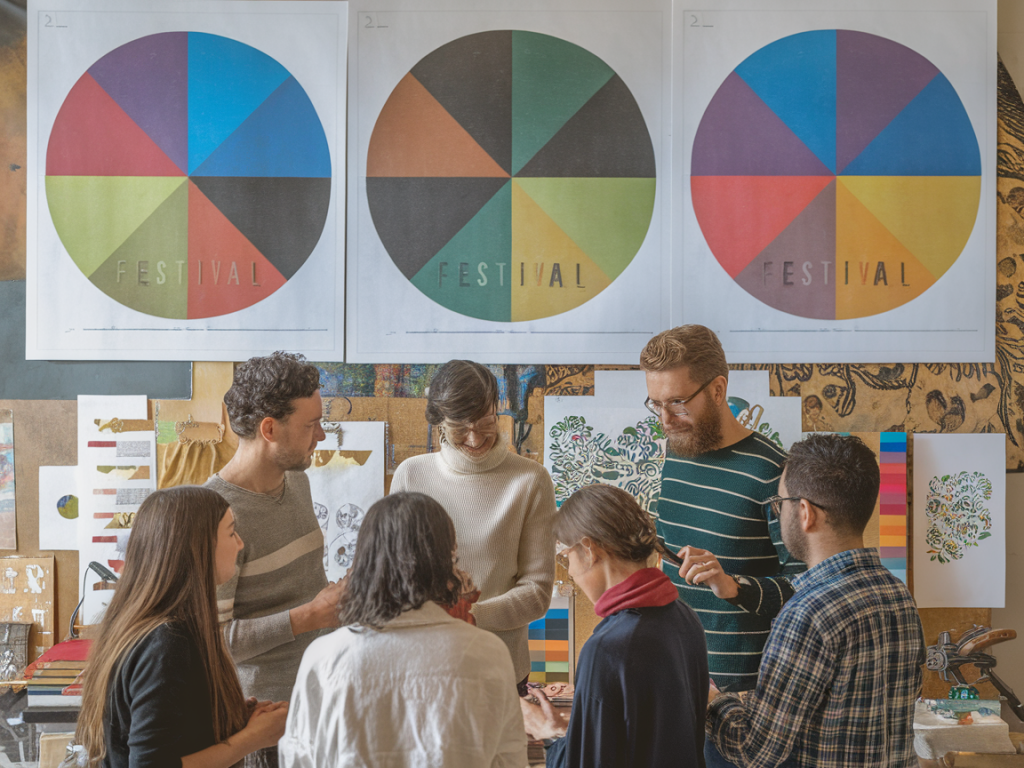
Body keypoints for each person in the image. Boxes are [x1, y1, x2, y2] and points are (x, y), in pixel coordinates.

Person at [706, 433, 925, 767]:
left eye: (778, 505)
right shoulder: (897, 595)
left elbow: (755, 752)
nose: (778, 514)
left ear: (805, 512)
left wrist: (712, 700)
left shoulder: (807, 613)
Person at [279, 492, 527, 767]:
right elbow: (509, 760)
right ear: (447, 559)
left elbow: (298, 759)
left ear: (363, 561)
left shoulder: (324, 657)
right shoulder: (487, 652)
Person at [76, 486, 289, 768]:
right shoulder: (166, 642)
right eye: (230, 532)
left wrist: (229, 718)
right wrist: (251, 738)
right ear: (196, 548)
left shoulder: (153, 628)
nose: (239, 544)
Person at [205, 352, 344, 768]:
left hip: (319, 699)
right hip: (263, 725)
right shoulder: (215, 514)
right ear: (269, 429)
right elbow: (216, 643)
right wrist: (311, 616)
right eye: (310, 424)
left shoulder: (297, 479)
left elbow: (303, 587)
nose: (320, 435)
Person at [390, 359, 556, 691]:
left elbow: (537, 594)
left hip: (501, 670)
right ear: (439, 421)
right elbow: (393, 574)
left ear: (498, 410)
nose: (474, 436)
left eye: (485, 421)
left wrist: (468, 615)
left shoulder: (530, 480)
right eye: (459, 426)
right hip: (423, 665)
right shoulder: (411, 474)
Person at [521, 484, 708, 767]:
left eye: (566, 556)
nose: (570, 571)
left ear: (589, 549)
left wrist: (551, 736)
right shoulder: (684, 617)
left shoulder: (608, 649)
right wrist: (569, 732)